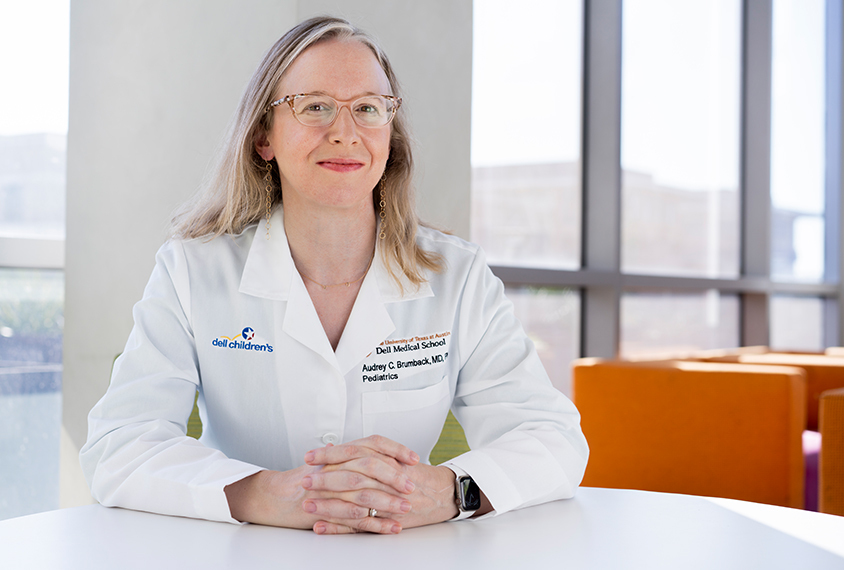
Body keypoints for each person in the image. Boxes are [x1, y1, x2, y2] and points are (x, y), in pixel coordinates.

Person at [80, 16, 589, 535]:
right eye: (315, 106)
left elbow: (553, 439)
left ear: (389, 136)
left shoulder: (459, 277)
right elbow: (118, 445)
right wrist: (265, 493)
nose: (345, 133)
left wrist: (450, 491)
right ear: (264, 138)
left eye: (368, 109)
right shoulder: (192, 271)